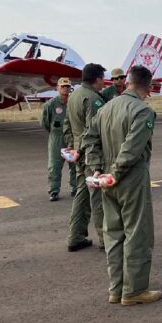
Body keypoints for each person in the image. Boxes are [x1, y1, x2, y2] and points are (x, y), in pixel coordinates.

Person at [82, 65, 162, 306]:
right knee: (137, 234)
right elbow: (132, 148)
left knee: (114, 234)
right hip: (130, 177)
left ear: (127, 82)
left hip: (106, 177)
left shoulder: (106, 108)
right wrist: (115, 173)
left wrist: (97, 169)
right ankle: (134, 290)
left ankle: (116, 289)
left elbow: (89, 138)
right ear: (147, 87)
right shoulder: (142, 111)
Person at [63, 63, 107, 252]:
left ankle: (76, 236)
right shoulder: (93, 99)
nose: (103, 83)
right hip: (90, 154)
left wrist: (74, 147)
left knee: (82, 193)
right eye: (102, 79)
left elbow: (67, 125)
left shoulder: (74, 96)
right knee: (97, 196)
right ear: (97, 79)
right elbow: (94, 130)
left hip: (79, 153)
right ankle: (106, 240)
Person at [41, 78, 77, 201]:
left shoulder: (74, 102)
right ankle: (54, 190)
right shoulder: (51, 104)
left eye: (67, 86)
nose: (65, 89)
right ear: (57, 88)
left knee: (74, 164)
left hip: (71, 138)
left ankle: (75, 188)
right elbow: (45, 122)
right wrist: (54, 133)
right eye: (62, 86)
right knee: (55, 165)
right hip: (57, 138)